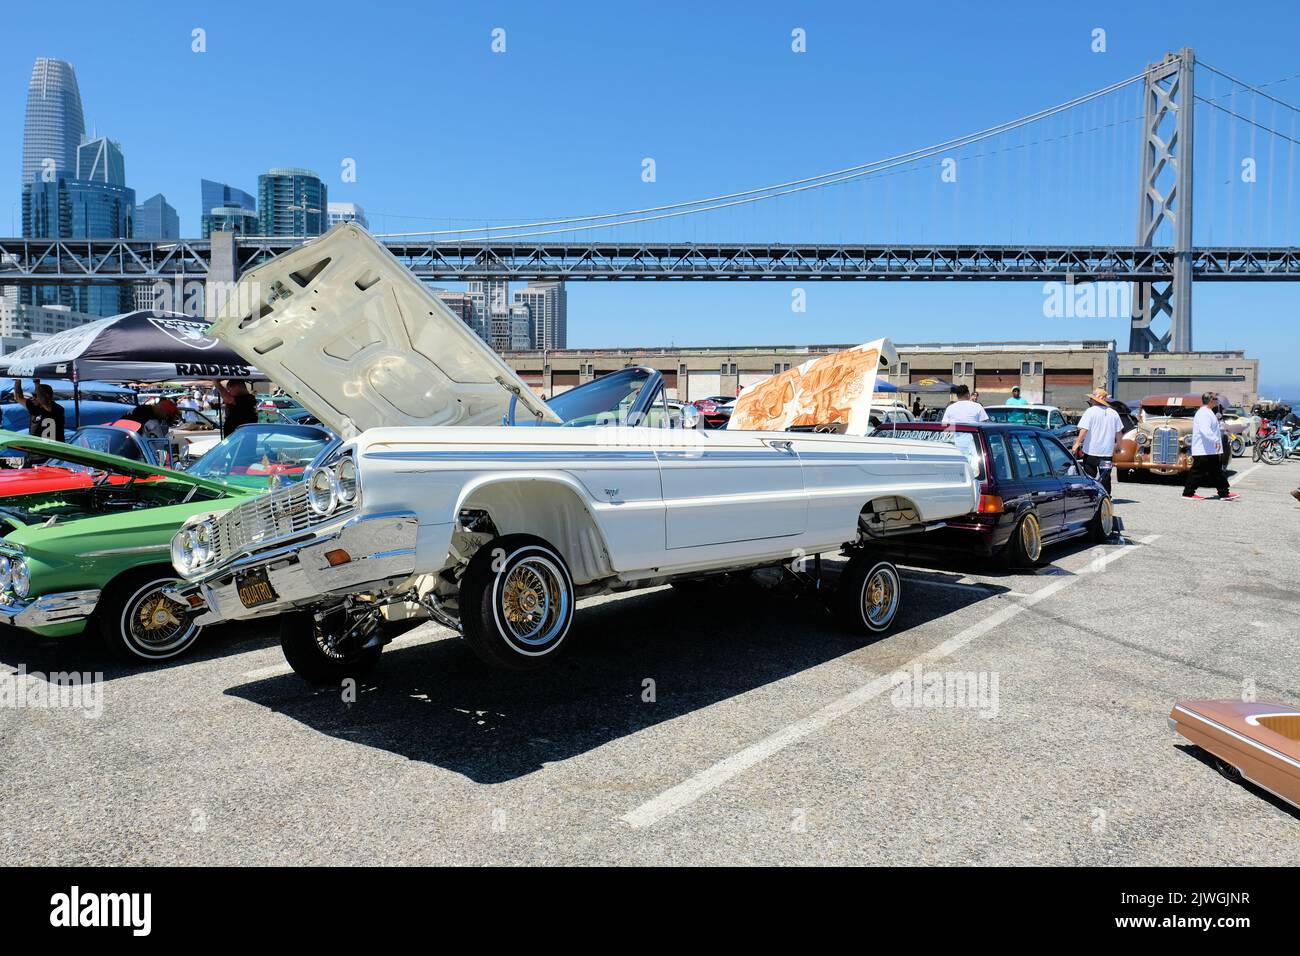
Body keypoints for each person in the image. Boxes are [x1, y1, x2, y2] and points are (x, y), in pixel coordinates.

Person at [1183, 391, 1238, 501]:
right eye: (1215, 399)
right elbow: (1205, 430)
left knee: (1216, 472)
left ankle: (1224, 493)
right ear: (1210, 400)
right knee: (1197, 472)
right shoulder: (1204, 413)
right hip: (1203, 449)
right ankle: (1188, 493)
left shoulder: (1208, 412)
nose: (1217, 401)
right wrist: (1216, 441)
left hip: (1209, 449)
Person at [1071, 387, 1124, 494]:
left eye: (1091, 399)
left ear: (1095, 400)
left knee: (1090, 476)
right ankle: (1106, 496)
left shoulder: (1090, 411)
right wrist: (1119, 446)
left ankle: (1091, 496)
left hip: (1091, 451)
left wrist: (1077, 443)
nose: (1090, 401)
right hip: (1106, 453)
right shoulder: (1113, 413)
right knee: (1105, 476)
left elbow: (1084, 430)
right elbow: (1119, 433)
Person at [12, 378, 65, 442]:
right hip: (39, 447)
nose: (36, 398)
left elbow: (45, 403)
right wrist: (18, 380)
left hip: (50, 448)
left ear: (47, 396)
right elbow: (18, 398)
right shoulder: (37, 406)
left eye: (38, 395)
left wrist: (36, 384)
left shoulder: (56, 409)